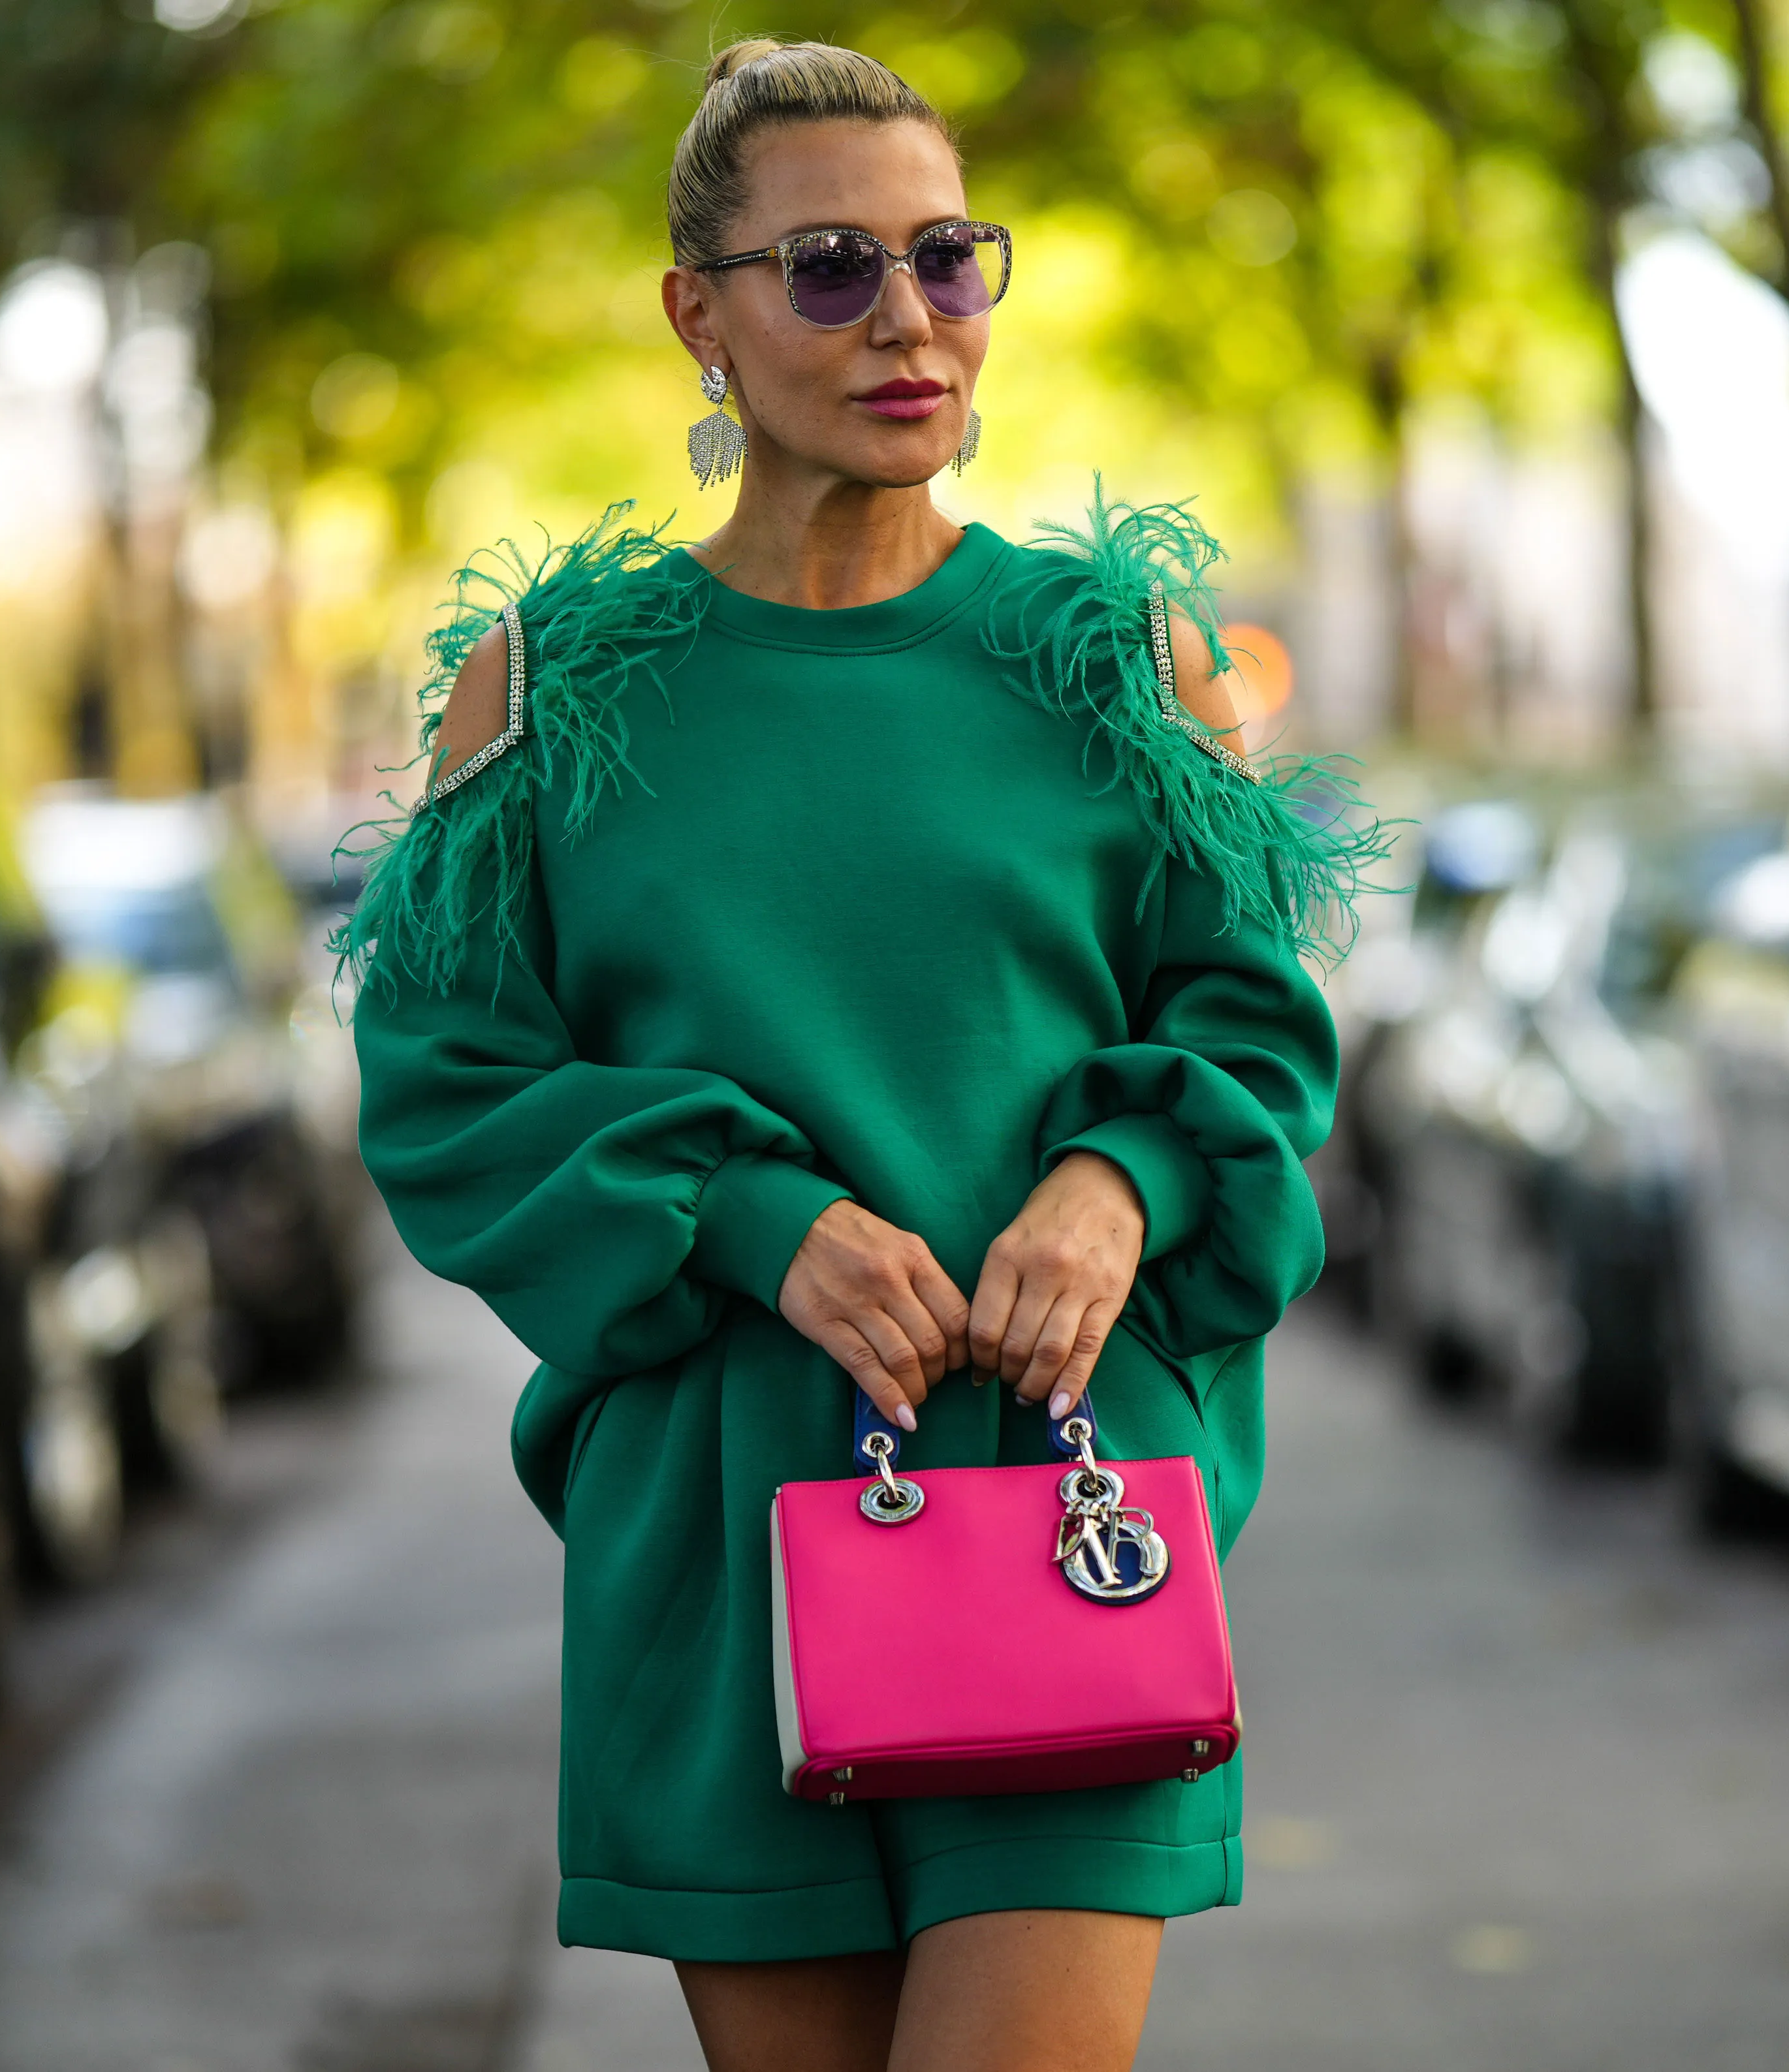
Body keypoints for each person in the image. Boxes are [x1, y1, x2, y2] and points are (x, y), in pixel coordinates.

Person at [341, 39, 1368, 2072]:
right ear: (695, 314)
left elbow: (1255, 1025)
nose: (908, 320)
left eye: (947, 259)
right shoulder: (548, 691)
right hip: (730, 1529)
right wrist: (754, 1218)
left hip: (1075, 1502)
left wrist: (1115, 1181)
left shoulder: (1119, 660)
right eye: (826, 267)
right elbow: (448, 1086)